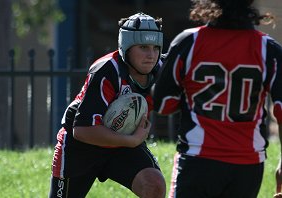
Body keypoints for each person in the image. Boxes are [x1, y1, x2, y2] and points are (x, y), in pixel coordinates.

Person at [153, 0, 282, 197]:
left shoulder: (189, 41)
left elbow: (163, 105)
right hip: (247, 164)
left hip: (198, 159)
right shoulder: (268, 48)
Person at [48, 12, 166, 198]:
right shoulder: (106, 70)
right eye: (143, 47)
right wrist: (132, 140)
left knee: (154, 184)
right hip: (80, 147)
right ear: (126, 47)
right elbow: (82, 130)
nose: (151, 55)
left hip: (123, 145)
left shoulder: (162, 69)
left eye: (155, 47)